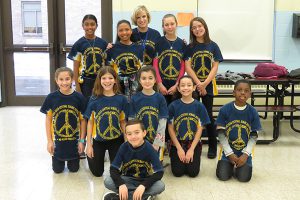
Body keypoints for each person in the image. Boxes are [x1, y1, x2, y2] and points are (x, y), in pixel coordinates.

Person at [184, 17, 223, 159]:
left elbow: (215, 67)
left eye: (199, 26)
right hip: (193, 86)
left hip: (208, 86)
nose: (197, 29)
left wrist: (204, 83)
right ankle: (192, 144)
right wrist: (198, 84)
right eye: (193, 28)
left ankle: (212, 146)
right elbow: (188, 67)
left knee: (208, 117)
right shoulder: (189, 48)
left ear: (204, 27)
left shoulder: (213, 46)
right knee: (192, 115)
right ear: (191, 31)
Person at [103, 119, 165, 200]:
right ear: (126, 135)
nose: (133, 136)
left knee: (160, 186)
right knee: (108, 181)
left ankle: (122, 197)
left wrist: (143, 186)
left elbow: (159, 172)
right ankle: (143, 197)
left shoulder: (150, 148)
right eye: (129, 134)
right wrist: (121, 184)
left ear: (144, 133)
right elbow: (113, 169)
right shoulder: (123, 147)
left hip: (144, 179)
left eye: (137, 132)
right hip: (127, 179)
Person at [40, 67, 87, 173]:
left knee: (74, 169)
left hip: (74, 142)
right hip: (58, 143)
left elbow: (83, 120)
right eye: (61, 79)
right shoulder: (51, 98)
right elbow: (48, 120)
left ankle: (74, 157)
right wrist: (49, 141)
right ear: (56, 80)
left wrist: (82, 141)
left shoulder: (79, 98)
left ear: (72, 80)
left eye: (67, 79)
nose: (64, 82)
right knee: (57, 170)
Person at [84, 66, 128, 177]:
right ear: (99, 80)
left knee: (117, 172)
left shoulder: (121, 99)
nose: (107, 81)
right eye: (104, 78)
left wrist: (127, 142)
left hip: (116, 139)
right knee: (97, 173)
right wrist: (88, 145)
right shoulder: (94, 99)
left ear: (115, 80)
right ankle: (93, 157)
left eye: (110, 78)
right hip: (99, 140)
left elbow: (123, 121)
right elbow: (90, 122)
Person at [216, 79, 262, 182]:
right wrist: (229, 153)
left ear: (250, 94)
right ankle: (228, 164)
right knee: (222, 176)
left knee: (243, 178)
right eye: (239, 90)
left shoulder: (253, 112)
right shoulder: (225, 109)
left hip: (244, 151)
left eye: (246, 90)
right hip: (228, 151)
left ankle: (241, 166)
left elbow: (254, 136)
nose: (242, 92)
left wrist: (245, 155)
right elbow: (221, 134)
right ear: (233, 92)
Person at [153, 14, 186, 152]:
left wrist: (177, 84)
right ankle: (162, 144)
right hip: (162, 86)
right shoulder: (159, 42)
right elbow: (155, 64)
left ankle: (174, 142)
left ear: (176, 24)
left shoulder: (182, 44)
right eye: (166, 24)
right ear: (163, 26)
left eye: (172, 24)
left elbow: (183, 65)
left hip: (175, 86)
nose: (170, 27)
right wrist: (159, 83)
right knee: (162, 116)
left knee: (175, 115)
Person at [168, 75, 210, 177]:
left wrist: (191, 149)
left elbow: (200, 128)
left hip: (193, 143)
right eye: (182, 85)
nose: (185, 88)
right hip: (177, 142)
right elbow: (170, 128)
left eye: (188, 85)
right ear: (178, 88)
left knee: (193, 173)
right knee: (177, 173)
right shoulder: (173, 106)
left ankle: (192, 156)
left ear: (194, 87)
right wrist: (179, 148)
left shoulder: (199, 106)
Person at [129, 66, 168, 161]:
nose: (147, 81)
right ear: (139, 80)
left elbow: (163, 122)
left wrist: (157, 143)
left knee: (154, 170)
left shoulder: (160, 98)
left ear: (155, 80)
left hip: (156, 141)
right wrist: (138, 140)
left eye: (150, 78)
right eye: (144, 78)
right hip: (139, 140)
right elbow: (131, 122)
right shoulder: (134, 98)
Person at [68, 14, 108, 98]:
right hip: (85, 82)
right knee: (86, 105)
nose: (89, 27)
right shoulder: (78, 44)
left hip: (101, 80)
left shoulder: (103, 43)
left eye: (92, 24)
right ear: (83, 26)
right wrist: (77, 87)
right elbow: (75, 67)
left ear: (96, 26)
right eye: (86, 24)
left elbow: (107, 63)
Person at [106, 19, 143, 100]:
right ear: (117, 32)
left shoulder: (139, 48)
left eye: (127, 29)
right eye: (121, 30)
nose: (124, 32)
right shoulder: (112, 49)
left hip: (136, 88)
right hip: (118, 87)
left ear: (131, 31)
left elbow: (142, 69)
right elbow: (109, 71)